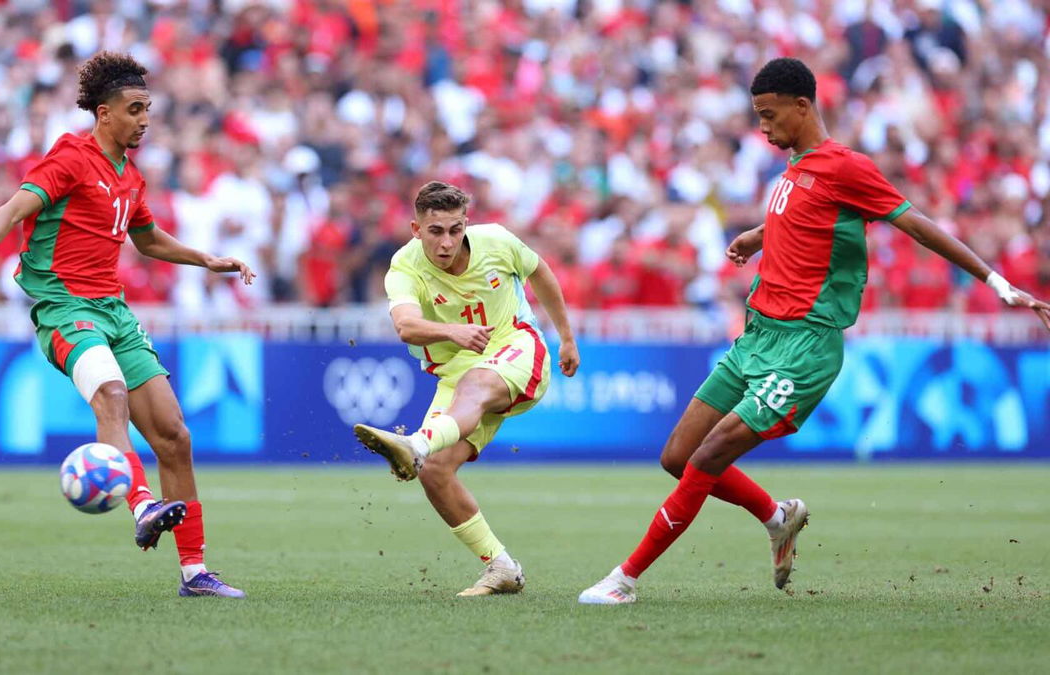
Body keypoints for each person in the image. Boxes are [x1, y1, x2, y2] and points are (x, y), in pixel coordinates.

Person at [578, 57, 1050, 605]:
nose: (762, 127)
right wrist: (757, 236)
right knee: (677, 458)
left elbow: (918, 224)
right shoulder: (796, 167)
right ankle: (778, 517)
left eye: (768, 114)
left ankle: (625, 579)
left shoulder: (846, 166)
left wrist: (997, 282)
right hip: (757, 338)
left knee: (708, 457)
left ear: (803, 107)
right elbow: (803, 218)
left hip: (803, 348)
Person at [0, 51, 256, 599]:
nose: (144, 119)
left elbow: (149, 239)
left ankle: (195, 573)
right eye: (134, 109)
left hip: (113, 311)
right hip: (64, 308)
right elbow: (16, 206)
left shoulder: (130, 178)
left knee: (174, 435)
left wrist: (206, 259)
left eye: (148, 109)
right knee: (110, 393)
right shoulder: (70, 156)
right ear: (104, 113)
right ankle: (140, 504)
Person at [353, 180, 580, 597]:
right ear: (415, 229)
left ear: (466, 225)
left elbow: (540, 272)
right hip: (457, 371)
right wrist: (451, 331)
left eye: (455, 230)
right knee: (435, 473)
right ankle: (502, 567)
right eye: (436, 231)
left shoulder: (497, 242)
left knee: (473, 388)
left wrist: (566, 337)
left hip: (517, 348)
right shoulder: (404, 266)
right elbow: (405, 326)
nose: (447, 242)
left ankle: (415, 445)